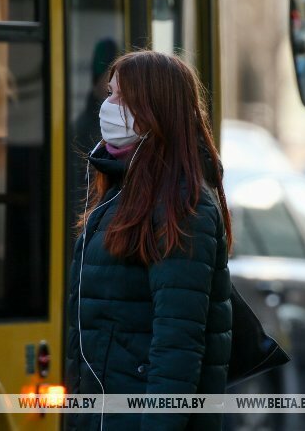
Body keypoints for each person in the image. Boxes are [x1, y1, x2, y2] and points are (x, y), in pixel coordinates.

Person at [65, 50, 233, 430]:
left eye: (120, 97)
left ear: (153, 107)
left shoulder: (182, 205)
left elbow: (177, 347)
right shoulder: (123, 189)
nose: (107, 106)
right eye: (108, 94)